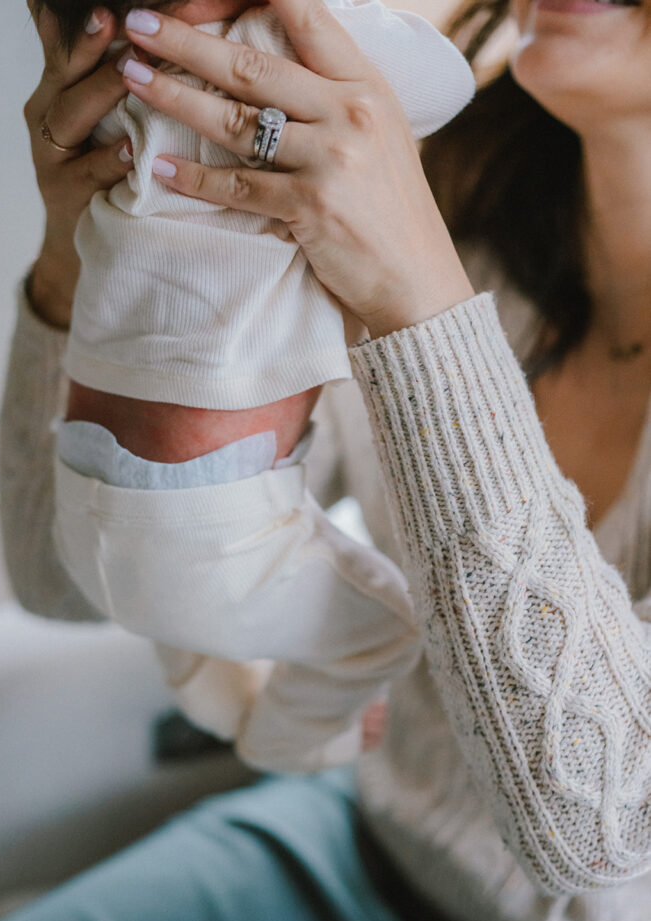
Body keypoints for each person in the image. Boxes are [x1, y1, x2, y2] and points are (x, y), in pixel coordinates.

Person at [0, 0, 649, 921]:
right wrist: (75, 258)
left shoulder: (406, 227)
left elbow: (599, 835)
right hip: (352, 861)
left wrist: (418, 297)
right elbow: (59, 583)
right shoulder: (442, 197)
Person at [32, 0, 474, 772]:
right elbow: (445, 83)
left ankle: (212, 695)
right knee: (388, 631)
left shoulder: (112, 64)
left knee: (177, 602)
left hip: (84, 493)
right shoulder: (283, 39)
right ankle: (284, 744)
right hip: (211, 526)